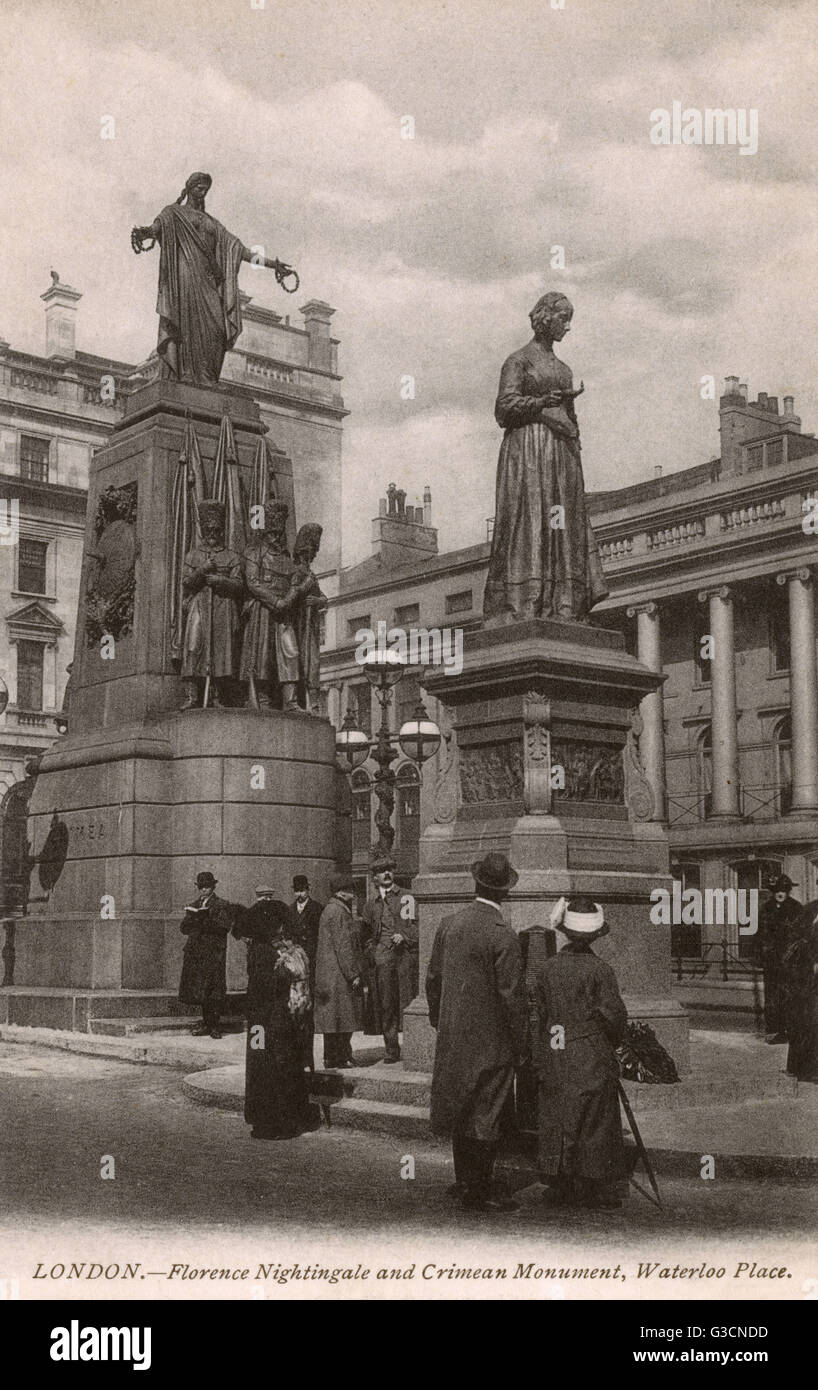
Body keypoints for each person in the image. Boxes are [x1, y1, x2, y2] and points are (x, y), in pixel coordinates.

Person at [483, 292, 608, 624]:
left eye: (569, 320)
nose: (567, 327)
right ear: (544, 317)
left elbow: (572, 420)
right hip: (528, 453)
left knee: (561, 525)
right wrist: (540, 404)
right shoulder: (518, 361)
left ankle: (562, 603)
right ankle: (527, 603)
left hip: (561, 457)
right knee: (531, 521)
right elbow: (503, 409)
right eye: (563, 319)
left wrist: (574, 450)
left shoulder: (564, 370)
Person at [426, 852, 528, 1212]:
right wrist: (521, 1044)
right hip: (492, 1041)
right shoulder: (504, 935)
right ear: (504, 893)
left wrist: (442, 1021)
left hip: (454, 1037)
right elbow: (512, 998)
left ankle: (464, 1180)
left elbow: (433, 979)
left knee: (460, 1105)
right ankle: (481, 1188)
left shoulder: (449, 924)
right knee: (487, 1111)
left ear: (476, 883)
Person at [131, 172, 296, 387]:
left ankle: (207, 377)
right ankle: (188, 374)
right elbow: (156, 228)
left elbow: (240, 250)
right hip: (186, 277)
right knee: (186, 323)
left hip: (207, 280)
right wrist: (145, 232)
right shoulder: (174, 213)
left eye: (205, 190)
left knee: (217, 328)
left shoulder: (213, 224)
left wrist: (272, 264)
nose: (202, 193)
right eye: (199, 189)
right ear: (190, 189)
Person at [531, 896, 628, 1210]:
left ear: (564, 931)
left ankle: (558, 1183)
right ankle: (588, 1185)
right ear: (595, 935)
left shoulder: (546, 970)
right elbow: (614, 1016)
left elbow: (538, 1015)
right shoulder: (601, 970)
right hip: (590, 1051)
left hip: (555, 1051)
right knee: (593, 1120)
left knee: (557, 1115)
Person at [233, 886, 313, 1139]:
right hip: (275, 1019)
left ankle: (262, 1119)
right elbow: (274, 985)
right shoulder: (271, 952)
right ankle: (280, 1121)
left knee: (259, 1065)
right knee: (278, 1066)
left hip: (259, 1022)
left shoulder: (258, 949)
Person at [180, 499, 244, 709]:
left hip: (223, 607)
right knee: (193, 645)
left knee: (220, 651)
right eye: (209, 530)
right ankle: (191, 696)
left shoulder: (231, 556)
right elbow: (187, 582)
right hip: (199, 604)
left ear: (222, 530)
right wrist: (203, 569)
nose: (213, 534)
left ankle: (216, 696)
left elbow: (239, 585)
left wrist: (220, 581)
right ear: (204, 530)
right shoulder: (193, 555)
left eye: (216, 530)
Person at [240, 501, 300, 712]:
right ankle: (262, 698)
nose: (276, 537)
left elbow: (295, 581)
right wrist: (275, 602)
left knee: (290, 652)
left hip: (284, 612)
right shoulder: (254, 552)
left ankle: (291, 701)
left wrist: (288, 600)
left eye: (279, 533)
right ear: (265, 532)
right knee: (263, 655)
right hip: (263, 610)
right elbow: (252, 583)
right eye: (272, 533)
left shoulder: (285, 557)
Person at [361, 852, 418, 1063]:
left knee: (408, 1001)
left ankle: (413, 1048)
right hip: (382, 959)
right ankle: (391, 1049)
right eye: (380, 871)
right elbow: (365, 935)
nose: (386, 874)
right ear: (374, 878)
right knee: (386, 1005)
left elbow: (416, 927)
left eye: (389, 870)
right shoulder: (371, 904)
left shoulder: (405, 897)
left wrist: (403, 935)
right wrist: (373, 953)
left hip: (404, 958)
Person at [314, 872, 365, 1069]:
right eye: (351, 889)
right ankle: (341, 1057)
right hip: (339, 975)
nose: (354, 893)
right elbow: (344, 945)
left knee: (333, 1020)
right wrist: (353, 973)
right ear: (342, 892)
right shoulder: (338, 912)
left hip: (330, 974)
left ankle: (332, 1057)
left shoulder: (331, 909)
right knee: (343, 1018)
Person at [178, 871, 236, 1038]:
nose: (204, 890)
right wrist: (193, 918)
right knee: (201, 990)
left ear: (213, 887)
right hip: (197, 953)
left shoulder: (222, 905)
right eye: (202, 887)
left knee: (214, 990)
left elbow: (224, 927)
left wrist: (206, 918)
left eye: (207, 887)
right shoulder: (194, 905)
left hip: (213, 953)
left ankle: (214, 1026)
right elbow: (184, 929)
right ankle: (206, 1023)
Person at [756, 873, 801, 1043]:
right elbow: (761, 933)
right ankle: (778, 1031)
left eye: (783, 890)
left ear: (788, 891)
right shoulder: (766, 908)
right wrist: (762, 954)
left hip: (791, 962)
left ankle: (792, 1030)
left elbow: (799, 936)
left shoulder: (796, 908)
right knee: (772, 997)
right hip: (772, 962)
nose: (780, 893)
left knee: (789, 996)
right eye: (776, 890)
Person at [288, 875, 324, 1068]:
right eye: (296, 890)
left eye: (302, 890)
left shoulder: (317, 908)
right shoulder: (290, 909)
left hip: (312, 959)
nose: (299, 894)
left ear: (308, 889)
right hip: (296, 963)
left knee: (307, 1004)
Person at [782, 899, 818, 1083]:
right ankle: (804, 1069)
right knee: (807, 1022)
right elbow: (794, 942)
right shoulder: (809, 911)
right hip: (807, 980)